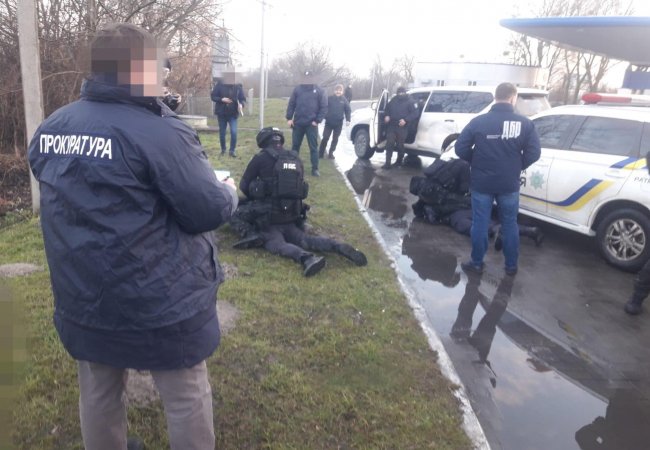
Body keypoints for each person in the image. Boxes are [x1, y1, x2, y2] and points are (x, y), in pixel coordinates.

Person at [27, 23, 238, 450]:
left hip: (84, 295)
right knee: (185, 393)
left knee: (98, 390)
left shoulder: (52, 127)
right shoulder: (161, 132)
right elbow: (205, 210)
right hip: (161, 301)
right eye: (160, 66)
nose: (165, 74)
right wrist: (229, 192)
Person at [232, 127, 368, 276]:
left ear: (263, 141)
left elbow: (244, 186)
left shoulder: (260, 158)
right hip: (292, 215)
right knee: (305, 239)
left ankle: (306, 257)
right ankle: (337, 246)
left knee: (274, 242)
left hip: (268, 218)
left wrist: (257, 194)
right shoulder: (295, 158)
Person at [455, 82, 541, 276]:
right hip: (508, 183)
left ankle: (477, 263)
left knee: (480, 222)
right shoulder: (525, 124)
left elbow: (460, 148)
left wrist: (476, 161)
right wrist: (517, 166)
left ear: (496, 97)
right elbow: (534, 152)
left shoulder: (478, 122)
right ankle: (511, 266)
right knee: (510, 224)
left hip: (482, 182)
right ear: (512, 98)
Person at [409, 158, 544, 246]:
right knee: (480, 223)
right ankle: (528, 231)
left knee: (468, 224)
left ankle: (520, 231)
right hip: (463, 206)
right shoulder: (440, 179)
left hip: (461, 208)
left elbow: (458, 197)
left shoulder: (435, 183)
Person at [286, 70, 328, 176]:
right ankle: (293, 167)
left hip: (311, 124)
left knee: (313, 147)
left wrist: (317, 120)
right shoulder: (297, 89)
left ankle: (315, 169)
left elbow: (324, 107)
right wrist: (289, 118)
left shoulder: (319, 91)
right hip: (298, 123)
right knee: (295, 146)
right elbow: (291, 104)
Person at [211, 69, 246, 157]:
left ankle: (232, 151)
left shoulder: (238, 86)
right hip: (221, 113)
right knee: (222, 133)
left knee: (234, 132)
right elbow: (213, 96)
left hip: (233, 113)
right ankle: (223, 150)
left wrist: (241, 104)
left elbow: (242, 99)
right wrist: (221, 99)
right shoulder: (219, 84)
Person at [382, 86, 417, 169]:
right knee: (389, 144)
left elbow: (415, 113)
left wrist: (406, 120)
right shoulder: (394, 100)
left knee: (399, 145)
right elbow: (387, 109)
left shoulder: (411, 101)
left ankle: (399, 162)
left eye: (402, 92)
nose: (400, 94)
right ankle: (387, 163)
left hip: (402, 127)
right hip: (392, 125)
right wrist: (387, 115)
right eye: (399, 93)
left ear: (405, 92)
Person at [318, 84, 351, 160]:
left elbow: (348, 110)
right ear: (334, 91)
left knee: (335, 139)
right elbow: (323, 108)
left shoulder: (344, 100)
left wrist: (348, 120)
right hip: (328, 123)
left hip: (338, 124)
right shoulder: (329, 99)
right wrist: (321, 117)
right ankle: (320, 153)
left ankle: (331, 153)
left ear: (342, 91)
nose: (338, 92)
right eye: (337, 90)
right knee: (325, 137)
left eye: (340, 90)